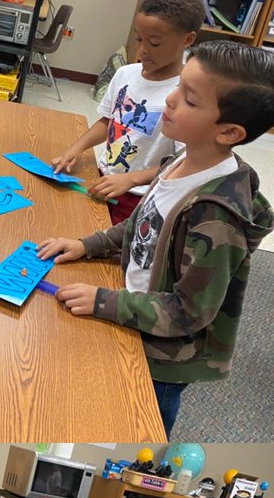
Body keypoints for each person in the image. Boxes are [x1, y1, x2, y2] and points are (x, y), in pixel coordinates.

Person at [38, 40, 274, 438]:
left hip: (165, 357)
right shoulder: (183, 160)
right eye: (179, 87)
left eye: (190, 100)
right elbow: (143, 224)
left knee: (138, 427)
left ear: (229, 132)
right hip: (133, 313)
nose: (169, 99)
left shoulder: (216, 218)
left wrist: (102, 301)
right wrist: (89, 245)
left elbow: (189, 311)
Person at [51, 0, 203, 224]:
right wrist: (77, 148)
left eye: (154, 43)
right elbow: (109, 121)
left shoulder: (186, 95)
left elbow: (186, 163)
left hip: (140, 196)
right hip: (104, 177)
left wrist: (131, 180)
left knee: (109, 251)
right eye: (139, 39)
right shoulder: (125, 74)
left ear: (187, 40)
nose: (142, 50)